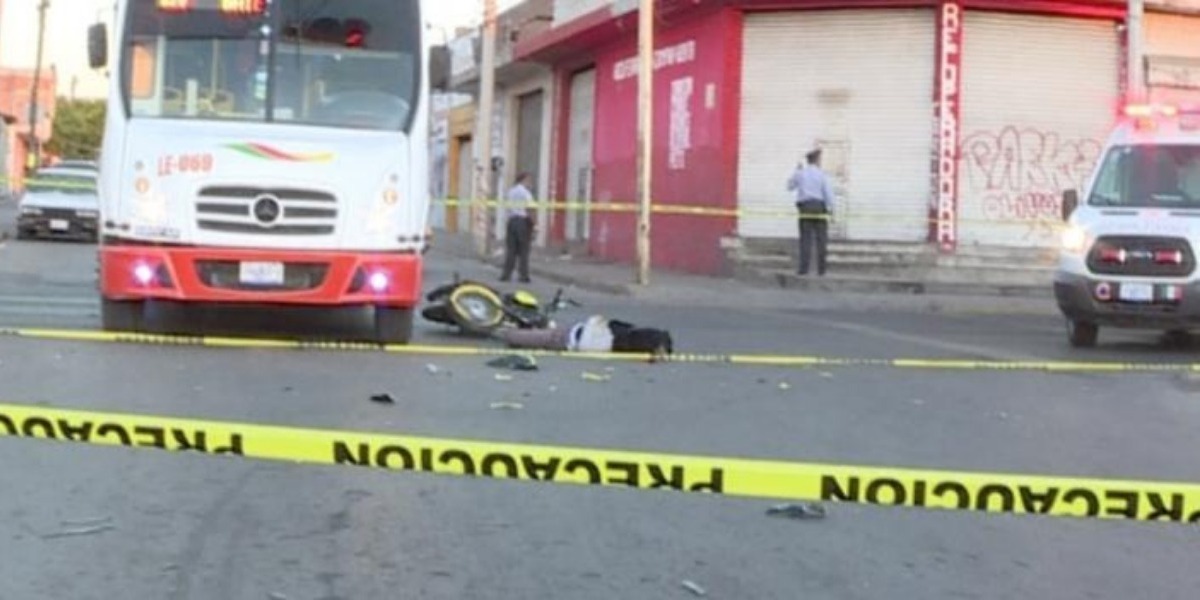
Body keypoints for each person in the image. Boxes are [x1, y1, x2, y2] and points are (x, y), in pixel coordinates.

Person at [495, 315, 674, 359]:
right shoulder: (626, 344)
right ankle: (509, 334)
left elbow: (612, 323)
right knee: (544, 338)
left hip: (579, 334)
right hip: (578, 339)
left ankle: (503, 333)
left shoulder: (628, 334)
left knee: (543, 337)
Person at [786, 146, 835, 276]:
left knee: (805, 239)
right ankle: (821, 270)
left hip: (805, 207)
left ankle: (803, 269)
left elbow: (789, 186)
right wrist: (832, 210)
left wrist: (796, 171)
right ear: (817, 160)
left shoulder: (801, 173)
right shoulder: (822, 174)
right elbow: (828, 194)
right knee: (821, 240)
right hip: (819, 207)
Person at [500, 172, 536, 283]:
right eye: (529, 180)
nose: (530, 183)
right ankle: (523, 275)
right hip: (522, 222)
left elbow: (507, 206)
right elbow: (530, 209)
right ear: (524, 180)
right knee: (524, 250)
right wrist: (534, 224)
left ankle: (506, 275)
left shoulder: (511, 191)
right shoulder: (526, 193)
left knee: (511, 250)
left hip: (512, 222)